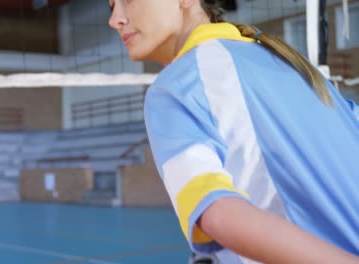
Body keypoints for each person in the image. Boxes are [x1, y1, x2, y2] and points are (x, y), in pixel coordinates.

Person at [108, 0, 359, 263]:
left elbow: (215, 211)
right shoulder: (296, 67)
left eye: (127, 0)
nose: (115, 20)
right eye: (111, 6)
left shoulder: (175, 87)